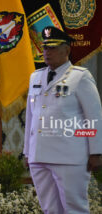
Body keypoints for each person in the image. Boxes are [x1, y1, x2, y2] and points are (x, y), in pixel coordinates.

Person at [24, 26, 102, 214]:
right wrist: (28, 151)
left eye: (52, 48)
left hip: (69, 157)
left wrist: (96, 152)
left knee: (74, 208)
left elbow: (94, 117)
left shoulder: (80, 77)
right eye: (44, 48)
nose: (46, 52)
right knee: (49, 209)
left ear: (66, 50)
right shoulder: (35, 76)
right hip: (39, 156)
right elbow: (31, 116)